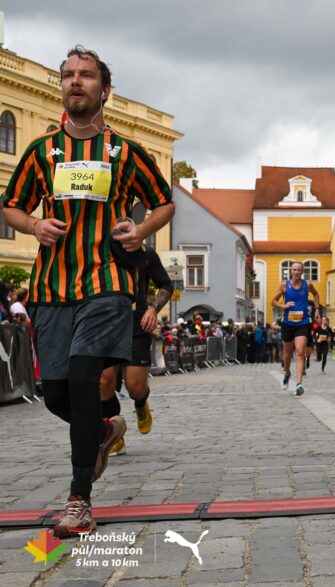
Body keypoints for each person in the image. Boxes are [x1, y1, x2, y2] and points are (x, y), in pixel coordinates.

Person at [2, 46, 174, 537]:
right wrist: (34, 225)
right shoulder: (42, 151)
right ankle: (104, 429)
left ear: (105, 90)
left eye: (86, 75)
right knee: (56, 393)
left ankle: (79, 501)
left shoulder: (126, 151)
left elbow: (163, 202)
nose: (75, 82)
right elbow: (11, 206)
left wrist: (141, 231)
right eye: (68, 75)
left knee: (83, 380)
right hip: (51, 286)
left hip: (107, 282)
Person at [99, 246, 173, 456]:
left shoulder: (145, 253)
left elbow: (166, 285)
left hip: (136, 323)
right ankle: (114, 435)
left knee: (135, 387)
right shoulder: (96, 249)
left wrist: (153, 308)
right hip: (105, 323)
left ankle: (140, 403)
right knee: (104, 381)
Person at [272, 262, 320, 394]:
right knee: (287, 354)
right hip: (288, 323)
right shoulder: (284, 285)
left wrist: (317, 309)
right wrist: (283, 306)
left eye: (299, 270)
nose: (297, 272)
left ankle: (299, 384)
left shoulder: (308, 285)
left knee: (299, 351)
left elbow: (316, 295)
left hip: (302, 323)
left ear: (302, 272)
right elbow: (273, 301)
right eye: (294, 270)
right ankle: (287, 372)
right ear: (291, 271)